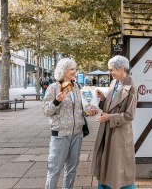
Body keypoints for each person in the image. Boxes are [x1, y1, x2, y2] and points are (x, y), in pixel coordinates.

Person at [42, 58, 95, 189]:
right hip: (60, 135)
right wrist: (56, 101)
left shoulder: (76, 87)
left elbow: (79, 109)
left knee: (71, 170)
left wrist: (89, 112)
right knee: (54, 170)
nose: (75, 72)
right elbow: (46, 110)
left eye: (75, 69)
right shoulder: (54, 88)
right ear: (63, 70)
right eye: (72, 69)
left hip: (77, 134)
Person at [91, 55, 138, 189]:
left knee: (119, 168)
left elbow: (129, 115)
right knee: (105, 165)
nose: (110, 73)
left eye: (112, 70)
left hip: (119, 134)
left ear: (121, 68)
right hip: (107, 131)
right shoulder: (114, 83)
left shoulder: (132, 87)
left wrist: (110, 118)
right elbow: (110, 106)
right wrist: (102, 100)